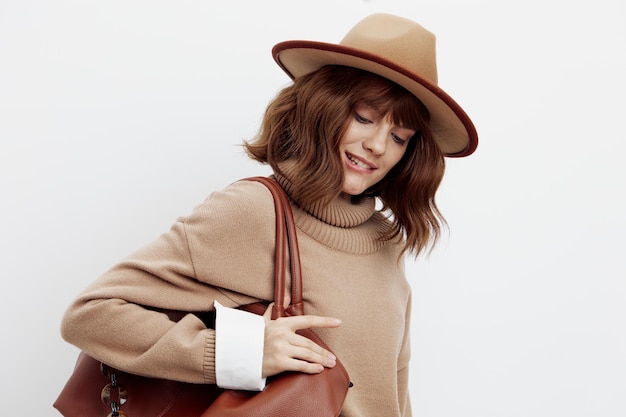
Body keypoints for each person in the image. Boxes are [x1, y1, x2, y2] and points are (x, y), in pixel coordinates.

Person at [60, 12, 478, 417]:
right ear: (322, 108)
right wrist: (240, 353)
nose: (377, 145)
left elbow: (392, 391)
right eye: (364, 117)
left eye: (399, 136)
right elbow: (90, 314)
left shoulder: (386, 240)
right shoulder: (253, 211)